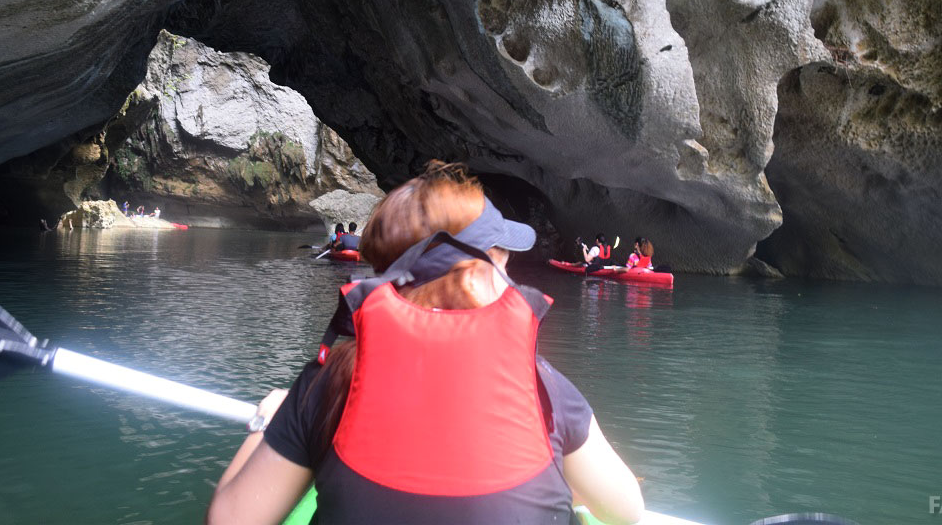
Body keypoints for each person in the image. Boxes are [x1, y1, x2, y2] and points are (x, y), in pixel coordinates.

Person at [207, 163, 644, 525]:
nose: (513, 277)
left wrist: (271, 419)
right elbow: (627, 511)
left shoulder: (328, 382)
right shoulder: (541, 387)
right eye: (504, 262)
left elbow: (228, 520)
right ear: (474, 277)